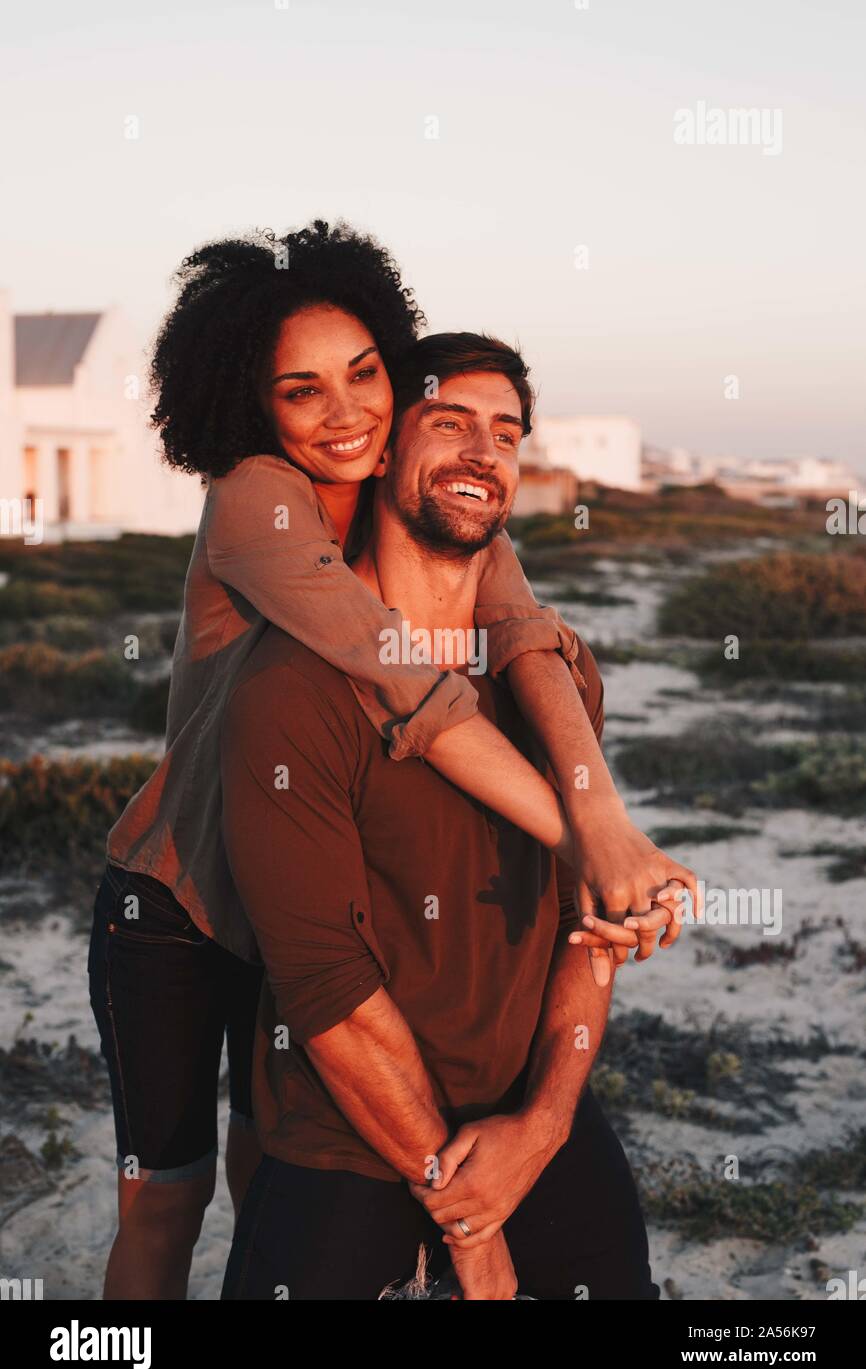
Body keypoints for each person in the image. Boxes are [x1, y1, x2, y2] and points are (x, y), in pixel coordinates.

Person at [89, 221, 693, 1299]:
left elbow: (521, 638)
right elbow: (407, 680)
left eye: (364, 375)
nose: (347, 411)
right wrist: (584, 839)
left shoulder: (420, 494)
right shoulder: (256, 501)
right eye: (300, 390)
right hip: (180, 902)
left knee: (262, 1162)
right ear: (250, 402)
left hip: (288, 895)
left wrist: (603, 825)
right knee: (166, 1195)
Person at [220, 334, 663, 1300]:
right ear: (382, 450)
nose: (481, 452)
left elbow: (587, 926)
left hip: (526, 1117)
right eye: (450, 423)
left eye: (505, 434)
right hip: (350, 1134)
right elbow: (327, 993)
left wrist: (541, 1125)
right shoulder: (291, 687)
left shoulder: (553, 680)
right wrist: (468, 1220)